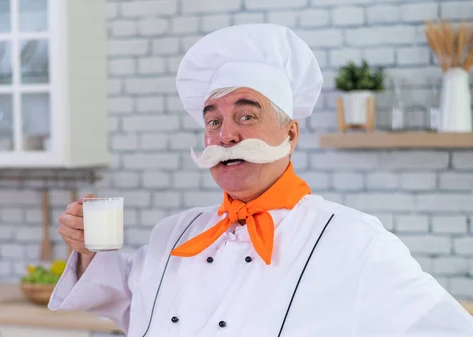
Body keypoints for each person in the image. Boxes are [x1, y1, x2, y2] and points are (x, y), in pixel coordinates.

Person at [48, 23, 473, 336]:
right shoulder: (172, 235)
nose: (226, 134)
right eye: (213, 121)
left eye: (246, 116)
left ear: (290, 134)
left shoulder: (355, 243)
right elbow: (122, 302)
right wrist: (88, 250)